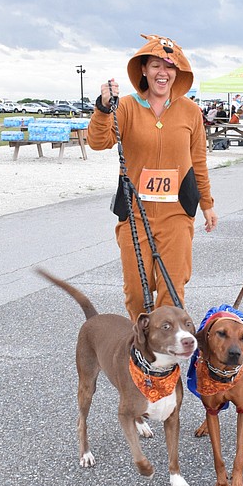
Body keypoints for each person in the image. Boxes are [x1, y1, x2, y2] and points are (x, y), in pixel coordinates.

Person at [88, 34, 218, 321]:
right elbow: (98, 142)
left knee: (172, 293)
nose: (163, 73)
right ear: (144, 70)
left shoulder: (190, 111)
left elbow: (198, 161)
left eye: (170, 67)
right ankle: (143, 354)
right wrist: (102, 108)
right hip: (135, 215)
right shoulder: (126, 107)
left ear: (177, 72)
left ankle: (167, 361)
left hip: (176, 216)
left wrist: (207, 203)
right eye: (156, 65)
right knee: (137, 293)